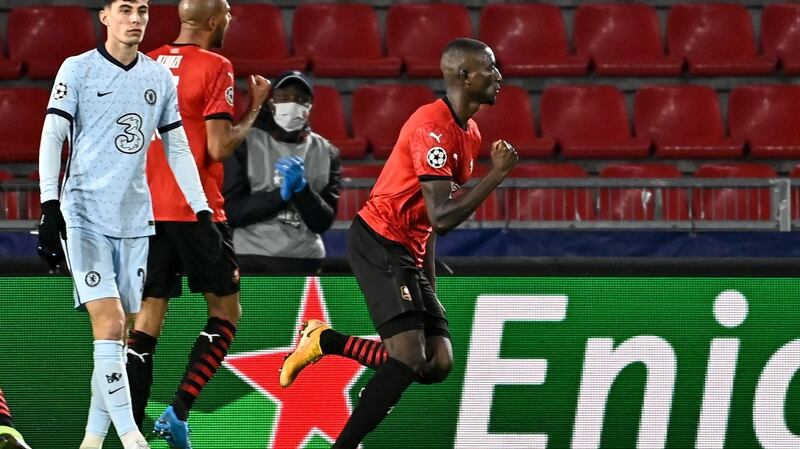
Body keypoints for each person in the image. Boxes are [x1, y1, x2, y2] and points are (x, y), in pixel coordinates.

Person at [280, 38, 518, 448]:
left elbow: (427, 221)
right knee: (408, 357)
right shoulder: (432, 127)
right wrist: (496, 175)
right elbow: (443, 217)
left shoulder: (471, 133)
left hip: (410, 249)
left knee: (436, 364)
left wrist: (428, 290)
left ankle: (324, 340)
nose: (499, 76)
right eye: (490, 68)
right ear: (464, 75)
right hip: (380, 240)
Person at [36, 1, 216, 449]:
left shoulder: (158, 76)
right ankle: (131, 436)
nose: (136, 19)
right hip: (84, 215)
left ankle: (92, 441)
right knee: (111, 322)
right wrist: (48, 205)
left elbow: (177, 148)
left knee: (116, 340)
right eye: (125, 9)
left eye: (142, 10)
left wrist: (202, 209)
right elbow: (52, 136)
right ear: (105, 16)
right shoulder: (77, 69)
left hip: (136, 220)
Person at [123, 1, 270, 448]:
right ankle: (178, 411)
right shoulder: (215, 65)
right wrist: (255, 107)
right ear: (212, 21)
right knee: (226, 312)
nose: (230, 20)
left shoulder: (144, 63)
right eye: (226, 13)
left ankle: (130, 437)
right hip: (196, 209)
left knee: (145, 324)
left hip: (146, 211)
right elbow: (219, 147)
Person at [222, 71, 341, 275]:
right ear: (270, 102)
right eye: (283, 97)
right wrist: (281, 196)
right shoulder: (246, 144)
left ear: (309, 107)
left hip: (307, 260)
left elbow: (323, 221)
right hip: (252, 259)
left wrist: (302, 190)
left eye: (301, 99)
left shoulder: (327, 152)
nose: (292, 104)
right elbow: (231, 212)